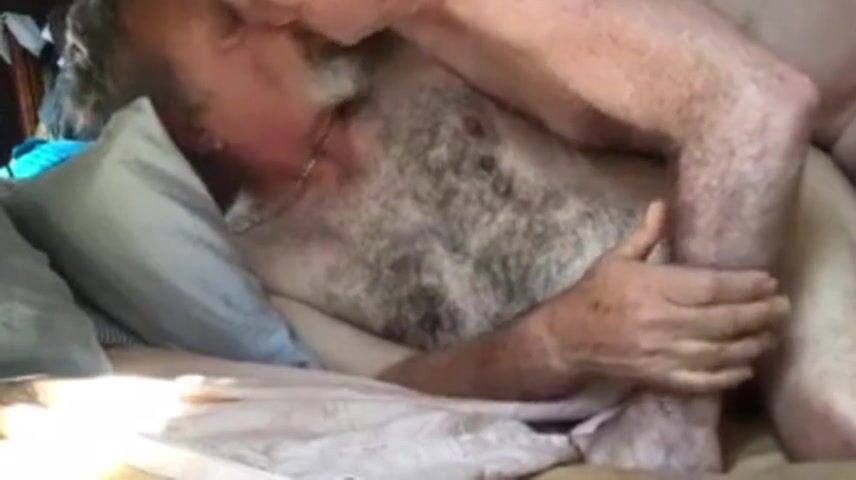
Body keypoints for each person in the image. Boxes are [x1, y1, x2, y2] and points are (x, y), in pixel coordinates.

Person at [62, 0, 856, 471]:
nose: (278, 14)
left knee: (840, 417)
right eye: (231, 21)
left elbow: (713, 109)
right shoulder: (263, 261)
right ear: (193, 124)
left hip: (749, 242)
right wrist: (562, 340)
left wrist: (679, 402)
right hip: (605, 390)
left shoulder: (424, 47)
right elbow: (394, 392)